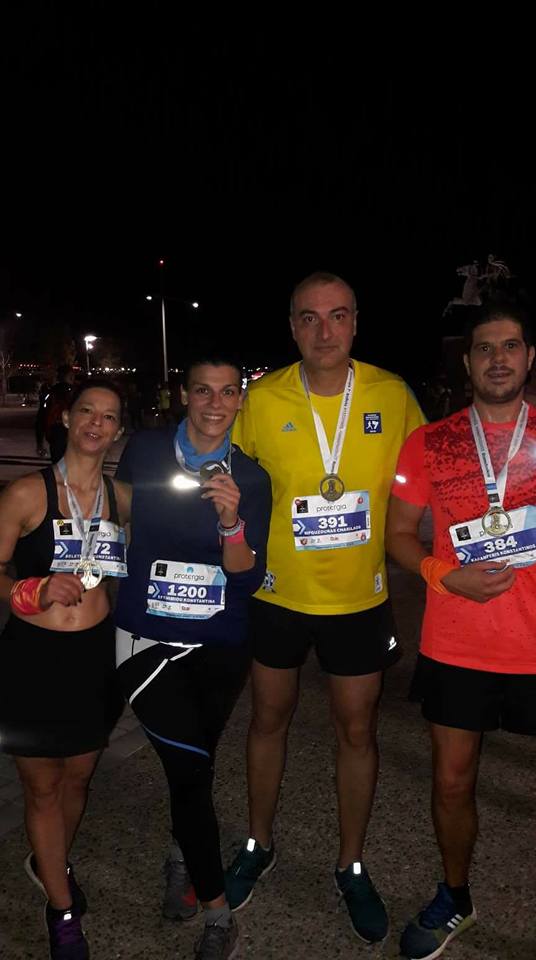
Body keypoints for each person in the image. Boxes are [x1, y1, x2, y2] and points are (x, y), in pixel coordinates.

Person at [224, 272, 425, 943]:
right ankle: (258, 844)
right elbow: (229, 483)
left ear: (356, 322)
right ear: (292, 327)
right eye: (308, 318)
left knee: (357, 732)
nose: (324, 330)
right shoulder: (262, 398)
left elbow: (430, 478)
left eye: (337, 315)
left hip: (359, 599)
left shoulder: (392, 394)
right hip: (278, 593)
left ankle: (352, 864)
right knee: (266, 721)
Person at [386, 299, 536, 960]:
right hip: (458, 644)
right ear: (468, 362)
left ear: (530, 358)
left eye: (511, 346)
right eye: (485, 348)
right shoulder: (429, 442)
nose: (498, 359)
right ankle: (455, 897)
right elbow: (397, 533)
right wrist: (444, 576)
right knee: (451, 783)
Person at [114, 353, 271, 960]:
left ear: (240, 401)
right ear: (184, 395)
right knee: (187, 770)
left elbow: (246, 578)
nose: (214, 404)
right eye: (203, 390)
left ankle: (183, 850)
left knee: (195, 768)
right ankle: (217, 912)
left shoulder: (251, 477)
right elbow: (115, 518)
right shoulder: (146, 451)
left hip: (220, 642)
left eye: (228, 392)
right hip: (147, 640)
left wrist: (231, 520)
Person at [0, 378, 130, 960]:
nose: (97, 423)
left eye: (109, 415)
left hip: (94, 658)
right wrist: (32, 589)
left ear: (119, 430)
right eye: (87, 411)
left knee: (77, 778)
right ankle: (62, 910)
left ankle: (49, 860)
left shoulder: (122, 498)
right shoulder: (27, 493)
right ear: (68, 418)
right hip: (32, 658)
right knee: (42, 787)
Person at [43, 365, 75, 463]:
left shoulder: (51, 392)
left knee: (58, 461)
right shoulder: (75, 391)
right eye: (71, 375)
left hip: (56, 429)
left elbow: (44, 413)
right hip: (67, 429)